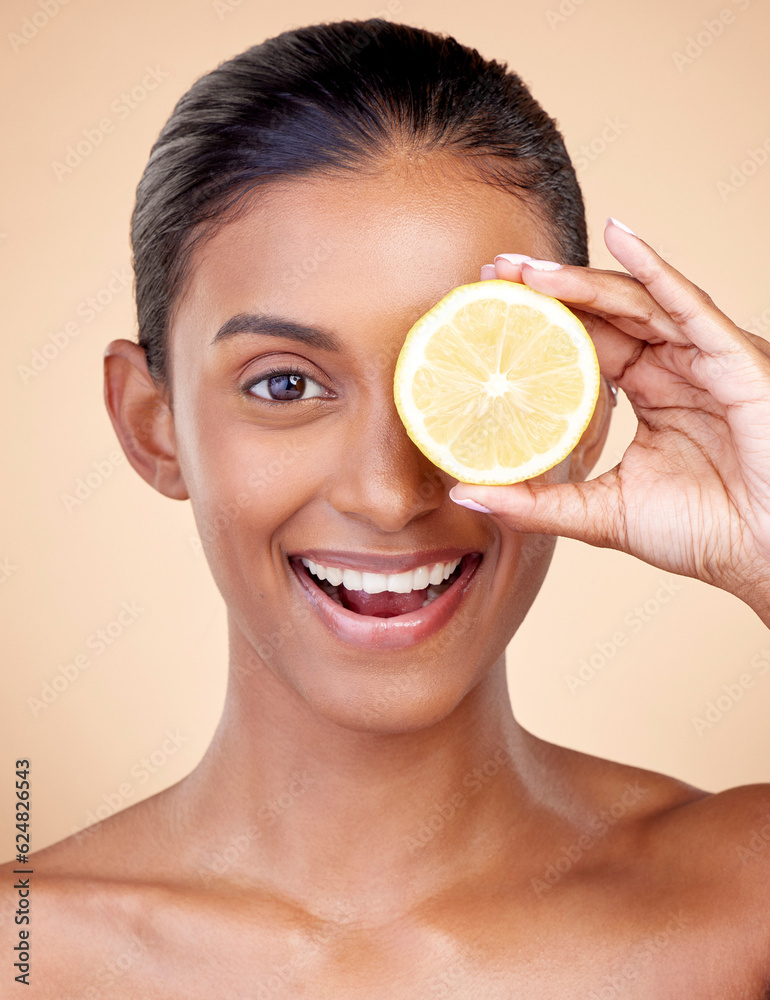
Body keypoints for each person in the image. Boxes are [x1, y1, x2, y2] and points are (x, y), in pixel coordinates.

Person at [7, 16, 770, 997]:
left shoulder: (741, 903)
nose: (385, 492)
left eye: (466, 381)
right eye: (285, 385)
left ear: (576, 413)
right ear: (153, 426)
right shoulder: (26, 953)